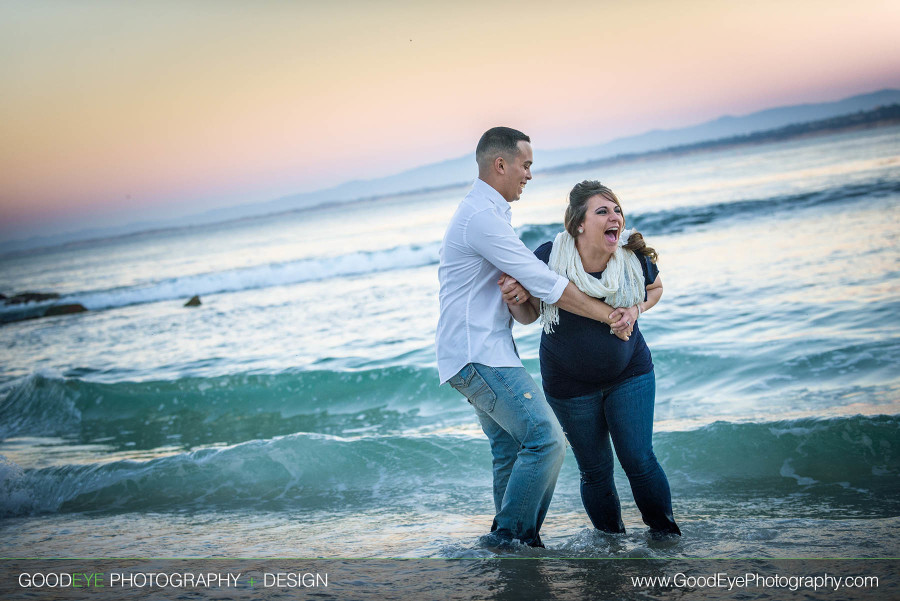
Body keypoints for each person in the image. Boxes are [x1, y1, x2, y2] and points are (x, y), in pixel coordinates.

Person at [436, 129, 633, 548]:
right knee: (546, 440)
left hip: (477, 353)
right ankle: (512, 539)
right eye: (525, 165)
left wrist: (516, 296)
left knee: (511, 451)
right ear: (500, 165)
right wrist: (608, 316)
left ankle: (509, 547)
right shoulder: (482, 218)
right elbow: (546, 282)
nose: (529, 175)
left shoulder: (487, 215)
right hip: (479, 355)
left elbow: (525, 295)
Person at [500, 180, 681, 536]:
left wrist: (636, 308)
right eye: (603, 211)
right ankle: (611, 546)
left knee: (639, 460)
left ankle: (665, 539)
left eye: (616, 209)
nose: (615, 217)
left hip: (630, 372)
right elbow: (529, 315)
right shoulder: (550, 257)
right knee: (596, 471)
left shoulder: (631, 255)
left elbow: (656, 288)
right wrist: (513, 299)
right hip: (569, 386)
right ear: (579, 223)